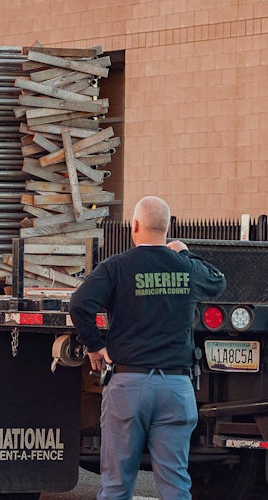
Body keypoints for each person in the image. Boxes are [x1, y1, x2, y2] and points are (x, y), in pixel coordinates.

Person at [69, 196, 226, 500]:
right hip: (176, 389)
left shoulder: (117, 267)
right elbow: (218, 281)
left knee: (116, 487)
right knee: (176, 486)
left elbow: (80, 305)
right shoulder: (186, 267)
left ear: (135, 226)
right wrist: (185, 253)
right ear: (168, 228)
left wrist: (95, 346)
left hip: (129, 386)